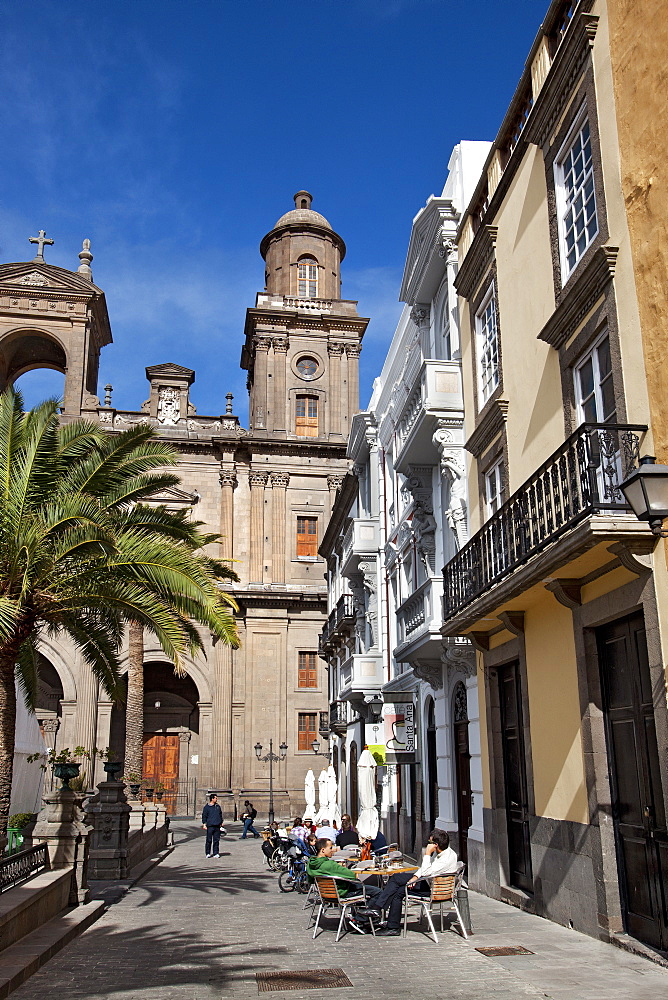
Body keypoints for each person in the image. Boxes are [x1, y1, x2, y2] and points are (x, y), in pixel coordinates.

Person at [358, 828, 458, 936]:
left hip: (434, 890)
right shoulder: (444, 852)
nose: (428, 845)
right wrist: (415, 876)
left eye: (430, 842)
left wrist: (427, 854)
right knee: (398, 889)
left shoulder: (445, 859)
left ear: (436, 844)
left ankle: (377, 909)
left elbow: (426, 871)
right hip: (430, 882)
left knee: (396, 879)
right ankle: (392, 926)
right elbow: (425, 870)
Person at [307, 838, 381, 932]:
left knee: (360, 888)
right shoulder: (329, 865)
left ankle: (362, 919)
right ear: (323, 850)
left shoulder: (310, 864)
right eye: (330, 848)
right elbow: (352, 875)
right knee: (377, 892)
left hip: (325, 895)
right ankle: (360, 919)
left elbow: (311, 880)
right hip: (342, 892)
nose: (333, 850)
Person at [201, 793, 225, 858]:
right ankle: (208, 853)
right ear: (212, 799)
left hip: (217, 826)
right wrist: (204, 824)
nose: (217, 799)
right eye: (216, 798)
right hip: (210, 826)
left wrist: (221, 822)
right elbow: (204, 816)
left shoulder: (217, 807)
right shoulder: (207, 807)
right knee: (209, 840)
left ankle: (216, 853)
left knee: (216, 840)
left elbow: (220, 815)